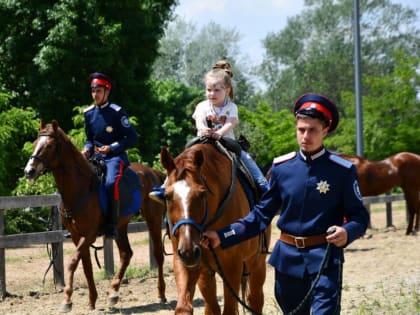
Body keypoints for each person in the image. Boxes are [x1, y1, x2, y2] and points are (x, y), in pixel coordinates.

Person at [201, 93, 370, 315]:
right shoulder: (282, 168)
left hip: (325, 259)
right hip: (287, 261)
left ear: (325, 131)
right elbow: (260, 216)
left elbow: (360, 217)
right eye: (301, 130)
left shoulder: (342, 171)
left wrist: (347, 232)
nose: (305, 136)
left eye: (312, 130)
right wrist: (222, 235)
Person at [149, 60, 269, 203]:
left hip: (226, 142)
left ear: (227, 90)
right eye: (208, 90)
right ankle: (165, 187)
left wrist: (220, 133)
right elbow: (199, 120)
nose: (212, 94)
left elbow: (231, 122)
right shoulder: (202, 106)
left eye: (217, 90)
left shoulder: (231, 107)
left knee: (246, 160)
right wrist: (203, 129)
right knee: (180, 160)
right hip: (203, 140)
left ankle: (264, 187)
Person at [82, 72, 138, 239]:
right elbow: (89, 139)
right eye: (93, 91)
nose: (95, 95)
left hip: (115, 157)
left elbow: (132, 137)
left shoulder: (117, 112)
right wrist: (86, 148)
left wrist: (111, 148)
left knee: (110, 183)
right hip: (95, 158)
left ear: (107, 92)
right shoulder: (88, 113)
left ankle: (111, 225)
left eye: (98, 91)